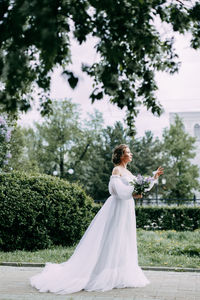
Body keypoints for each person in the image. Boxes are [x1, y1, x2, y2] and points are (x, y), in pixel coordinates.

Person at [30, 144, 163, 294]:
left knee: (124, 238)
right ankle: (101, 271)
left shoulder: (128, 171)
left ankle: (119, 274)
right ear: (121, 155)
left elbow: (139, 187)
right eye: (128, 152)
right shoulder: (117, 170)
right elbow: (117, 190)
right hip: (117, 207)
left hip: (126, 209)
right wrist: (133, 193)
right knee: (112, 237)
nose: (131, 154)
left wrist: (153, 178)